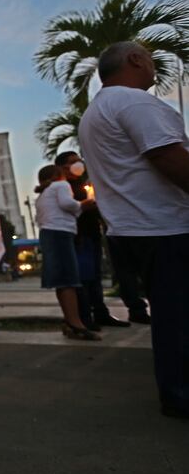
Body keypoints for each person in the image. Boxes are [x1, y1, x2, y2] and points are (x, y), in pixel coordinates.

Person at [78, 41, 189, 419]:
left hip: (132, 229)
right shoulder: (133, 103)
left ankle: (177, 388)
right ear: (136, 60)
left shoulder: (96, 112)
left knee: (172, 314)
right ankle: (179, 392)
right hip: (165, 225)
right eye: (152, 60)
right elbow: (168, 157)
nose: (154, 66)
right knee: (178, 315)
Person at [54, 151, 130, 329]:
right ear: (63, 167)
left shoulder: (84, 184)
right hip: (77, 238)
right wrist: (83, 206)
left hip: (92, 235)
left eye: (79, 160)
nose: (79, 164)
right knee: (83, 278)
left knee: (94, 278)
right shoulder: (62, 187)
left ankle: (100, 313)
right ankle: (84, 317)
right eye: (73, 162)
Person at [34, 165, 101, 340]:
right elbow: (67, 204)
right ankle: (76, 324)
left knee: (62, 281)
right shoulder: (61, 186)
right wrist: (84, 204)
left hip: (48, 234)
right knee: (69, 279)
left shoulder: (42, 195)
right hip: (60, 234)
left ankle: (70, 321)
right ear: (59, 176)